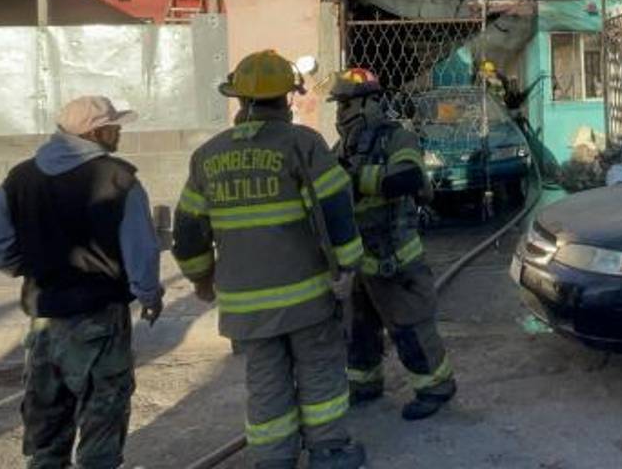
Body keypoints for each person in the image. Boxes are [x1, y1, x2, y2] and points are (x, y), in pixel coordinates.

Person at [172, 50, 367, 469]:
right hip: (307, 295)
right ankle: (329, 451)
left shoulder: (207, 156)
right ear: (287, 98)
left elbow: (187, 232)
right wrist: (348, 268)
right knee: (319, 371)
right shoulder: (303, 144)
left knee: (265, 380)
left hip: (246, 303)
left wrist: (201, 280)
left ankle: (273, 457)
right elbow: (336, 208)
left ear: (240, 101)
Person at [0, 95, 164, 469]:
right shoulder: (119, 179)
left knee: (48, 422)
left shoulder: (23, 177)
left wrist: (25, 266)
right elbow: (142, 249)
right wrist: (148, 293)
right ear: (97, 132)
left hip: (46, 318)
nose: (120, 131)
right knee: (102, 417)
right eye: (115, 125)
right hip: (101, 316)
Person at [329, 68, 456, 421]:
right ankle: (365, 385)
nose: (340, 112)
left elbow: (408, 178)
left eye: (346, 103)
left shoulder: (397, 138)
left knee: (410, 326)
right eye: (339, 104)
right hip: (358, 261)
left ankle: (436, 388)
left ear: (370, 102)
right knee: (359, 330)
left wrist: (354, 180)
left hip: (394, 257)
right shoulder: (340, 147)